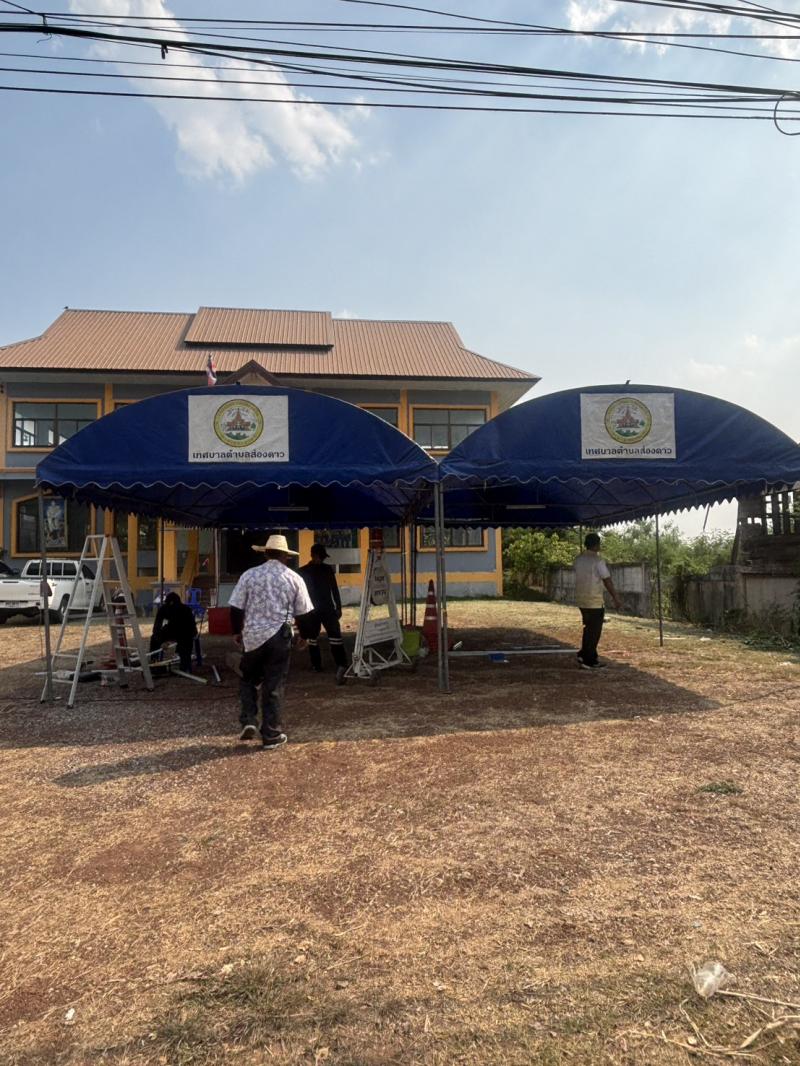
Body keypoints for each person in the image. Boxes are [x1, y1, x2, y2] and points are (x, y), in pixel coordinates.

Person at [228, 534, 313, 750]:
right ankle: (271, 735)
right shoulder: (293, 578)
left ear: (265, 554)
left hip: (253, 637)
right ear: (286, 556)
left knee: (248, 678)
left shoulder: (249, 575)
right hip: (279, 636)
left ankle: (248, 719)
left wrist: (237, 631)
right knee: (273, 684)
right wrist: (304, 635)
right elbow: (303, 613)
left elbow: (236, 607)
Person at [298, 543, 348, 685]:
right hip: (312, 611)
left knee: (336, 637)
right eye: (320, 557)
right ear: (313, 555)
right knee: (312, 639)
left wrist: (339, 607)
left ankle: (341, 664)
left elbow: (334, 589)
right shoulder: (303, 572)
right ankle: (316, 665)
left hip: (327, 609)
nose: (322, 560)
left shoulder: (327, 570)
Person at [574, 532, 622, 670]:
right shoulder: (598, 561)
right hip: (594, 600)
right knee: (594, 631)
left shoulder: (578, 559)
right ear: (596, 545)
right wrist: (616, 597)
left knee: (588, 628)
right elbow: (607, 580)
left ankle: (584, 654)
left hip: (581, 599)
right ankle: (589, 660)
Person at [150, 591, 197, 673]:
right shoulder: (164, 609)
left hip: (185, 631)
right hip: (171, 629)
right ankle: (154, 661)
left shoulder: (185, 610)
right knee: (154, 638)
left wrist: (182, 640)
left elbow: (192, 629)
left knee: (186, 641)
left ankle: (184, 664)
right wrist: (161, 641)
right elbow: (156, 627)